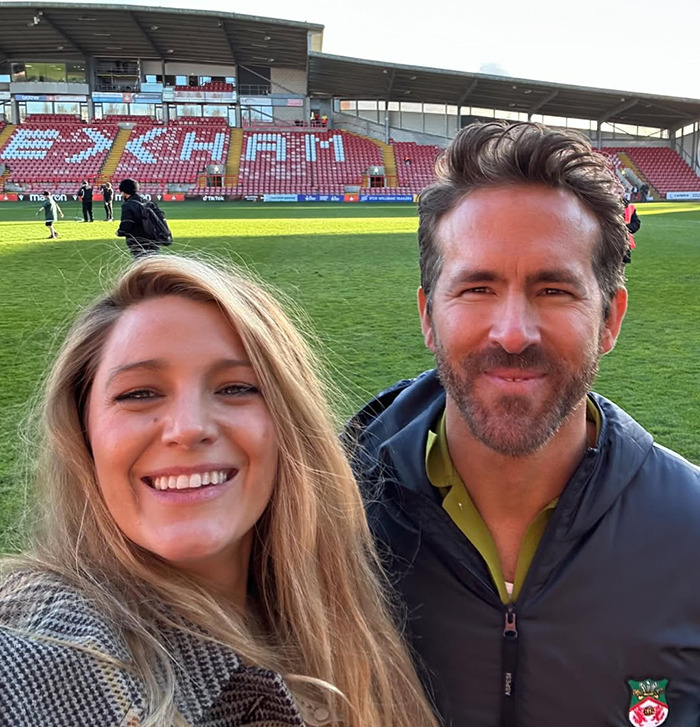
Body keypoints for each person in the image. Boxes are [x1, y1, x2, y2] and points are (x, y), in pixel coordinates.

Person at [347, 121, 700, 726]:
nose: (513, 333)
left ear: (609, 318)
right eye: (477, 287)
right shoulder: (326, 520)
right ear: (428, 316)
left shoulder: (690, 533)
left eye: (555, 289)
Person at [0, 256, 438, 727]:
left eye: (236, 388)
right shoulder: (42, 650)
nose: (188, 429)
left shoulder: (354, 620)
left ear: (290, 426)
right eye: (139, 393)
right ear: (83, 432)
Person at [116, 178, 160, 258]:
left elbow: (126, 225)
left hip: (138, 241)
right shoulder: (148, 202)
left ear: (124, 192)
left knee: (142, 264)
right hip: (153, 239)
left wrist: (119, 232)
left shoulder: (128, 205)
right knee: (153, 263)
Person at [623, 198, 641, 263]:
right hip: (607, 242)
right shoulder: (604, 206)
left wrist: (625, 228)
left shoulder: (630, 207)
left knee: (621, 268)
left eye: (620, 192)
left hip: (625, 242)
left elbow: (636, 223)